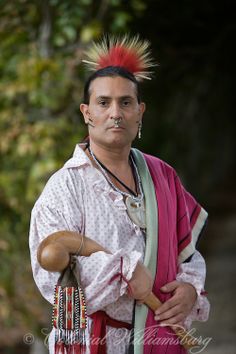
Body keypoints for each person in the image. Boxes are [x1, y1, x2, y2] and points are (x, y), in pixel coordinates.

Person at [29, 35, 210, 354]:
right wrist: (123, 272)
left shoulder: (162, 175)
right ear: (87, 112)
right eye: (104, 102)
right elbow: (52, 278)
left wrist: (191, 290)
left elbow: (188, 254)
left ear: (140, 112)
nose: (116, 113)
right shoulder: (65, 187)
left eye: (125, 102)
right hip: (97, 342)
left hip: (161, 338)